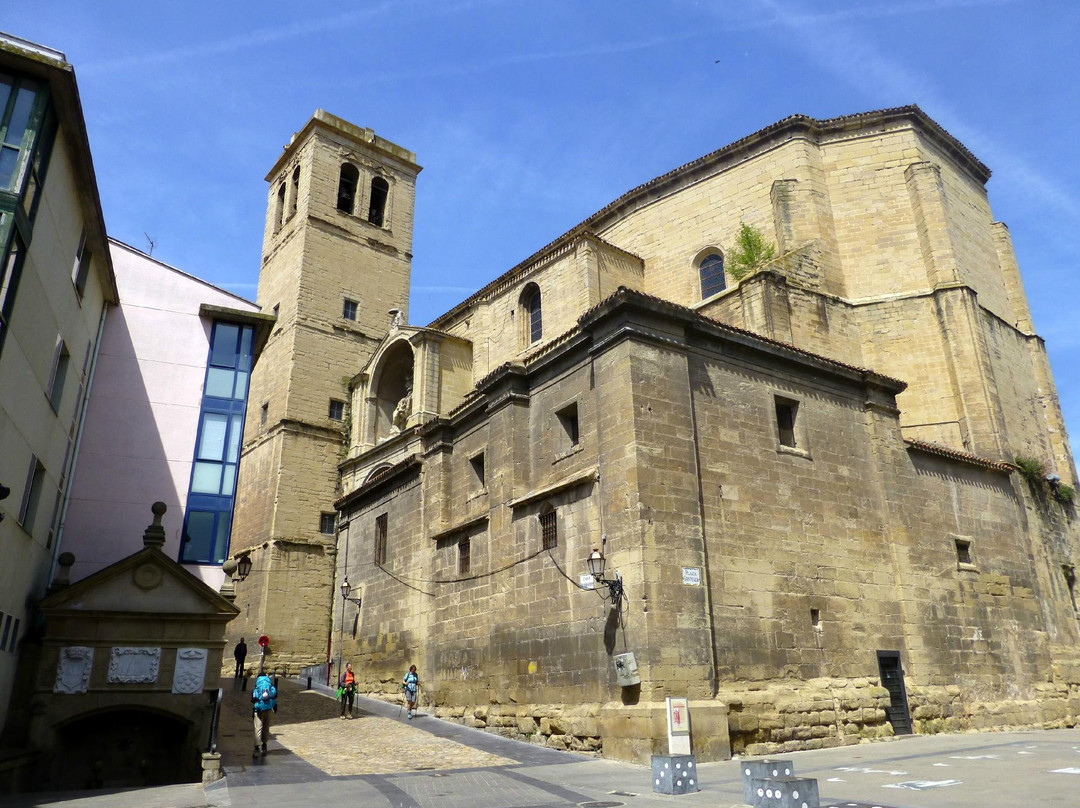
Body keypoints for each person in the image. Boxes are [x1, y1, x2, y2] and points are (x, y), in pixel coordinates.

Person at [251, 672, 277, 758]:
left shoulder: (257, 686)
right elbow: (274, 694)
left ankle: (256, 748)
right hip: (268, 709)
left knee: (258, 728)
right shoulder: (270, 685)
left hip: (258, 710)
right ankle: (264, 745)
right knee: (266, 727)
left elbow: (253, 698)